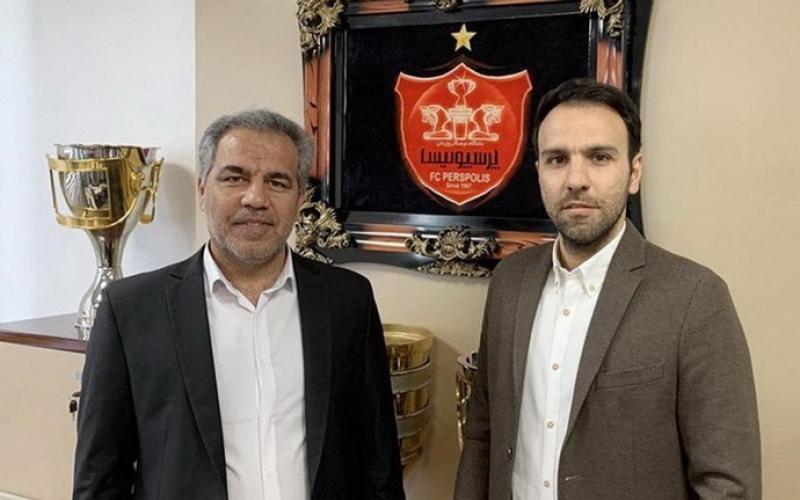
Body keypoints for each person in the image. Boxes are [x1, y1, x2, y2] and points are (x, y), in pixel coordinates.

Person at [73, 109, 405, 500]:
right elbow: (100, 476)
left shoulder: (348, 301)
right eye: (234, 177)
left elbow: (379, 464)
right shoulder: (130, 311)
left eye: (277, 182)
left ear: (300, 198)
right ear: (202, 189)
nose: (256, 198)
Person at [454, 78, 760, 500]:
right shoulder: (510, 281)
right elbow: (482, 432)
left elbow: (728, 484)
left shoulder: (694, 297)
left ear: (634, 172)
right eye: (557, 159)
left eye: (599, 157)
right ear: (539, 171)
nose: (575, 179)